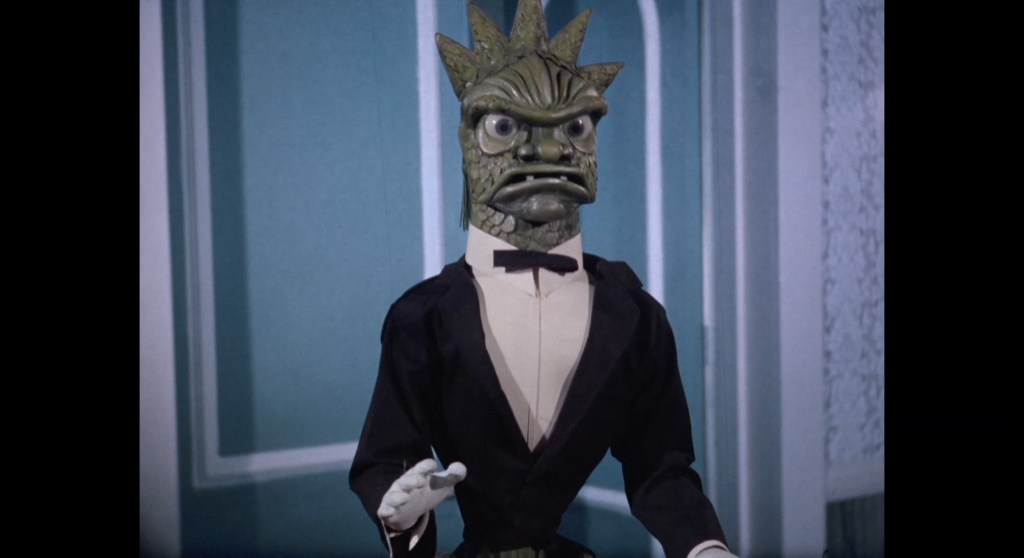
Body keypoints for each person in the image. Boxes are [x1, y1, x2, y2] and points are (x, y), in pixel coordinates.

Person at [350, 2, 738, 557]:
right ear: (468, 140)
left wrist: (704, 546)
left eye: (575, 127)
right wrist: (402, 510)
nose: (550, 150)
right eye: (505, 126)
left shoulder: (633, 317)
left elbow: (660, 466)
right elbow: (387, 455)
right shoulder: (421, 318)